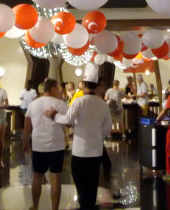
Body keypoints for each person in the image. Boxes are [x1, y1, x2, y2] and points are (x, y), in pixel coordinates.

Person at [46, 64, 111, 210]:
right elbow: (108, 127)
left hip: (80, 152)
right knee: (92, 187)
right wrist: (97, 137)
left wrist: (54, 115)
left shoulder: (79, 101)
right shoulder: (103, 104)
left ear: (83, 85)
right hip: (96, 152)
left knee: (81, 188)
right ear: (96, 85)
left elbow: (68, 120)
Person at [23, 78, 68, 210]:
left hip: (39, 145)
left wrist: (25, 142)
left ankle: (35, 206)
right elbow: (69, 121)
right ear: (52, 88)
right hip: (56, 145)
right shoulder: (60, 104)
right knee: (55, 177)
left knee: (37, 176)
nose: (59, 90)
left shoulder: (33, 104)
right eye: (58, 88)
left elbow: (27, 126)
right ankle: (54, 208)